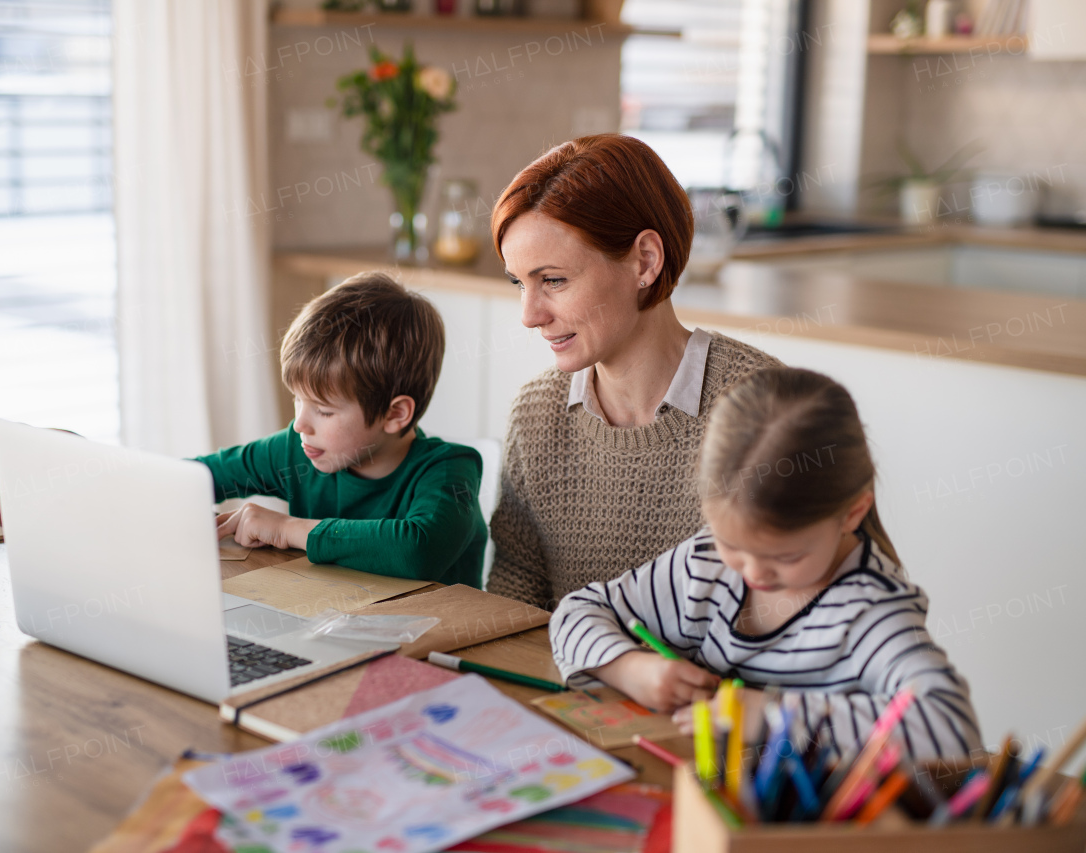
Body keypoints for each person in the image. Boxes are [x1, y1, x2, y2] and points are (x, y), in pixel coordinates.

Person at [549, 368, 982, 758]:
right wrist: (631, 669)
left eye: (785, 556)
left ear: (851, 514)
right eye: (731, 544)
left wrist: (776, 717)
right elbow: (576, 612)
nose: (753, 573)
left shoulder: (868, 612)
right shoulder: (707, 565)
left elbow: (952, 729)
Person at [487, 134, 782, 611]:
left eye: (553, 280)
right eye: (519, 284)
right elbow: (518, 580)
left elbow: (808, 612)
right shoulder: (537, 413)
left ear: (644, 261)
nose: (530, 314)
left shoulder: (767, 407)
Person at [195, 272, 488, 586]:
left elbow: (418, 549)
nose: (299, 424)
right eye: (298, 399)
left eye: (323, 410)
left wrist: (285, 529)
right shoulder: (298, 450)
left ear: (395, 414)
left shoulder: (451, 469)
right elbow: (195, 477)